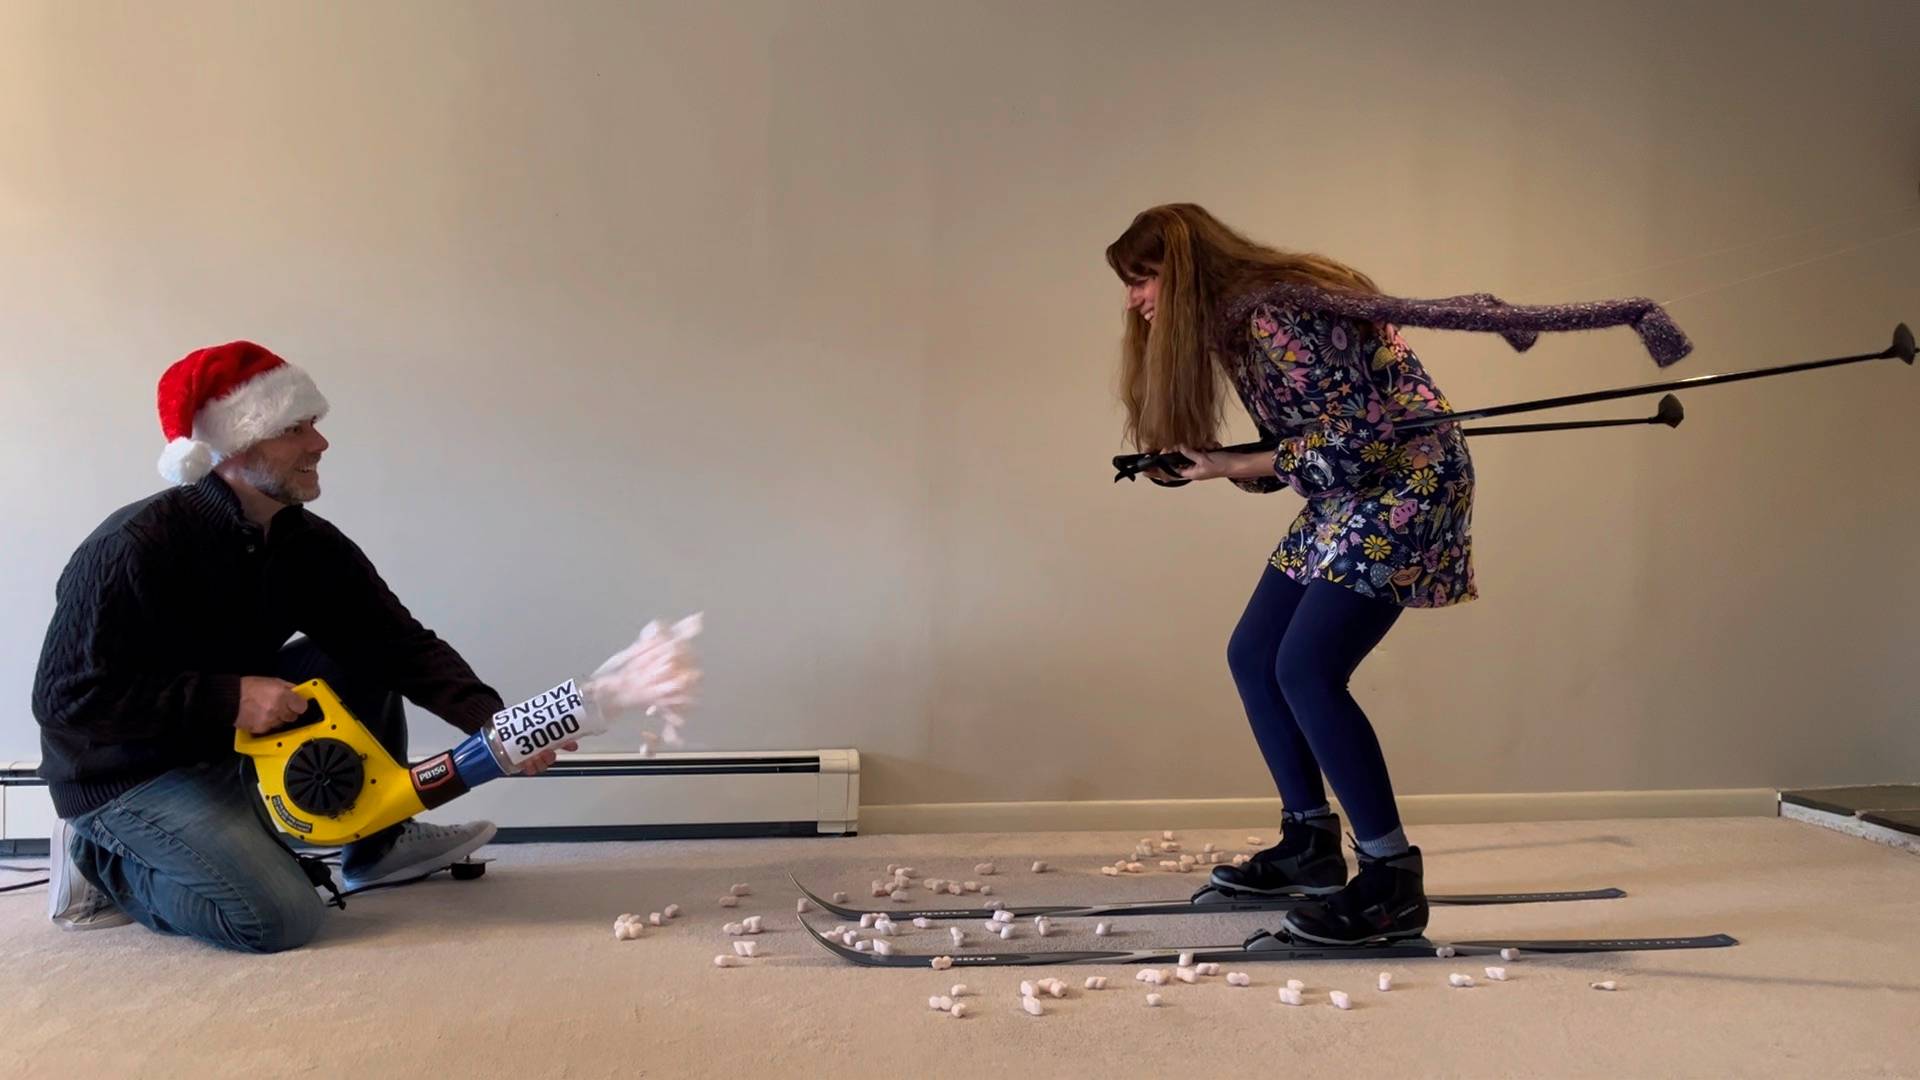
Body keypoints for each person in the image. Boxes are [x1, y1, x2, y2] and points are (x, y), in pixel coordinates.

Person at [1105, 203, 1689, 945]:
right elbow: (1307, 447)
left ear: (1183, 272)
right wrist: (1216, 466)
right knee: (1255, 656)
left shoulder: (1271, 317)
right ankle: (1311, 846)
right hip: (1351, 491)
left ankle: (1388, 881)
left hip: (1406, 485)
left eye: (1142, 278)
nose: (1135, 298)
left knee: (1307, 668)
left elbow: (1360, 444)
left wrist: (1231, 464)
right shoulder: (1240, 322)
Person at [31, 341, 571, 952]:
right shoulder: (133, 547)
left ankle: (377, 843)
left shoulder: (303, 543)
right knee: (277, 918)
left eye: (314, 425)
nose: (320, 444)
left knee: (360, 652)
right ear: (235, 443)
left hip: (227, 740)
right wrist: (225, 698)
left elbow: (399, 644)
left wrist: (496, 723)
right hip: (125, 772)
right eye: (295, 428)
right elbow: (64, 700)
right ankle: (108, 864)